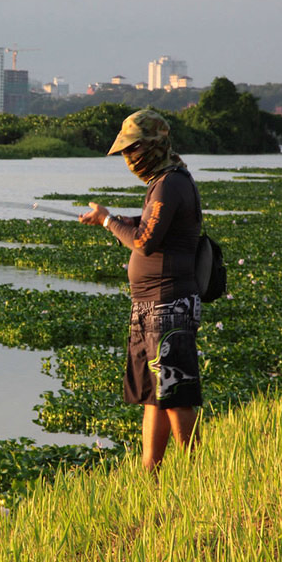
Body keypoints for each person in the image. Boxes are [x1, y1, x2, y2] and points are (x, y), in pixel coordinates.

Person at [79, 109, 203, 472]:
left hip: (169, 305)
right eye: (125, 152)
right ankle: (151, 474)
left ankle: (195, 472)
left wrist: (107, 220)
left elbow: (145, 241)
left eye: (134, 150)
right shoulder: (163, 181)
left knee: (176, 394)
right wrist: (114, 219)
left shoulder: (170, 183)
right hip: (149, 305)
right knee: (153, 396)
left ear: (153, 145)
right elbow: (151, 223)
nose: (129, 158)